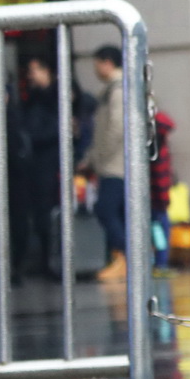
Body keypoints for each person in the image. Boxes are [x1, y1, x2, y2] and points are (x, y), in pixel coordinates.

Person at [11, 57, 66, 282]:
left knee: (45, 215)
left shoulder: (55, 97)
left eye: (35, 70)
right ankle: (30, 262)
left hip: (47, 162)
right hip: (31, 164)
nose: (31, 75)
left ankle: (47, 261)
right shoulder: (30, 99)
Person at [78, 46, 128, 279]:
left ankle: (127, 256)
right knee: (115, 211)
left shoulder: (117, 90)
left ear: (107, 63)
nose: (96, 69)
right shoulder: (113, 89)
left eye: (97, 63)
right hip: (113, 163)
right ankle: (122, 258)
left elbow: (115, 128)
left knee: (106, 209)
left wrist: (98, 157)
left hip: (115, 164)